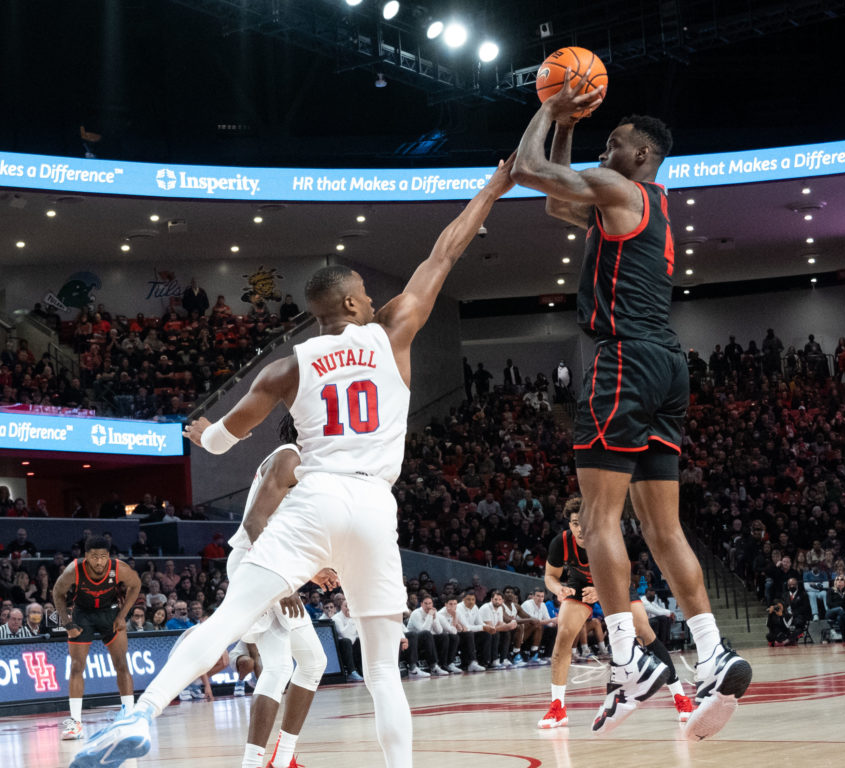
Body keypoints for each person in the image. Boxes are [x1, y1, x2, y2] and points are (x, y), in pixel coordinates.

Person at [70, 154, 516, 768]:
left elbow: (227, 437)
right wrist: (493, 188)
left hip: (316, 496)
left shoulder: (289, 364)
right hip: (374, 505)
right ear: (357, 305)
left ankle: (143, 711)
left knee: (227, 620)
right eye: (368, 293)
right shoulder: (394, 332)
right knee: (384, 670)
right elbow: (444, 253)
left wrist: (204, 435)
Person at [512, 66, 749, 740]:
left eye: (612, 141)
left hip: (624, 360)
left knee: (596, 520)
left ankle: (628, 658)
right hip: (670, 366)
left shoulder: (620, 185)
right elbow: (559, 200)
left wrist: (551, 108)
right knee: (663, 529)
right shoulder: (650, 201)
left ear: (641, 155)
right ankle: (711, 651)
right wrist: (566, 126)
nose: (603, 150)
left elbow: (530, 171)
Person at [224, 415, 332, 768]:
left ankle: (277, 760)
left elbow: (280, 532)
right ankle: (264, 762)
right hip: (259, 564)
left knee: (298, 663)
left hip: (265, 562)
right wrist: (280, 577)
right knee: (286, 665)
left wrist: (311, 572)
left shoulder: (298, 465)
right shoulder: (289, 456)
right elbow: (254, 523)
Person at [537, 498, 692, 730]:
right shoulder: (561, 543)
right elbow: (550, 576)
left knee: (644, 632)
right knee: (563, 636)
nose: (580, 529)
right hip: (579, 586)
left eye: (584, 522)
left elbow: (623, 576)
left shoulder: (607, 538)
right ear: (569, 524)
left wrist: (601, 591)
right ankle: (557, 708)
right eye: (575, 523)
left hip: (615, 584)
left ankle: (681, 698)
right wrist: (559, 589)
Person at [52, 536, 141, 741]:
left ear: (108, 556)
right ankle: (75, 723)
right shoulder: (74, 569)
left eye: (102, 557)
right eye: (94, 557)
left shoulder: (119, 568)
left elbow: (135, 585)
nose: (99, 562)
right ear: (86, 557)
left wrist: (122, 616)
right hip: (82, 614)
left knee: (121, 663)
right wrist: (67, 624)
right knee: (76, 666)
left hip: (110, 613)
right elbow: (57, 593)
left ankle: (128, 716)